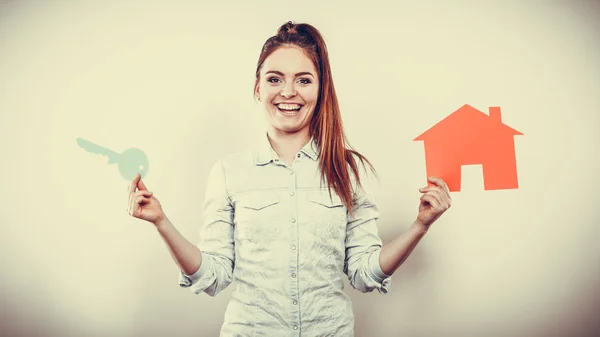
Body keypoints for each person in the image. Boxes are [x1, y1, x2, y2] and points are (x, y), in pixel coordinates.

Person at [127, 21, 452, 337]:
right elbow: (213, 276)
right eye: (274, 79)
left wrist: (421, 224)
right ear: (258, 88)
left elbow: (365, 274)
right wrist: (161, 221)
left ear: (320, 88)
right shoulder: (229, 172)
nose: (288, 91)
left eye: (303, 80)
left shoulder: (346, 170)